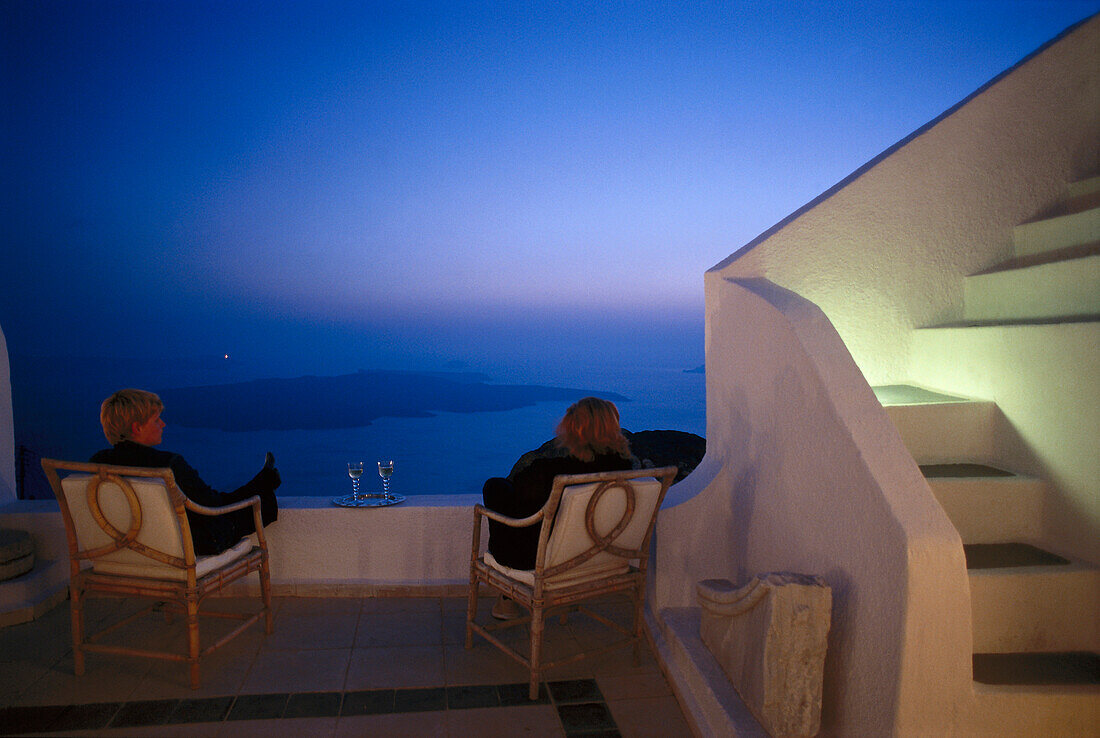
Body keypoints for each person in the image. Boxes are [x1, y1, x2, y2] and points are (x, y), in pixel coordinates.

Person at [482, 397, 634, 619]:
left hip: (540, 562)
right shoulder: (626, 473)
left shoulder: (550, 473)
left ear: (574, 430)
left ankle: (507, 597)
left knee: (495, 487)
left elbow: (521, 509)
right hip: (603, 559)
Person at [91, 388, 280, 556]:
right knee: (262, 504)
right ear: (137, 428)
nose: (163, 424)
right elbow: (212, 504)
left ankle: (262, 481)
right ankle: (264, 482)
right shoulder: (167, 465)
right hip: (186, 546)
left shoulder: (97, 465)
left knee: (246, 494)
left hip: (127, 548)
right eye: (156, 420)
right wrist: (256, 489)